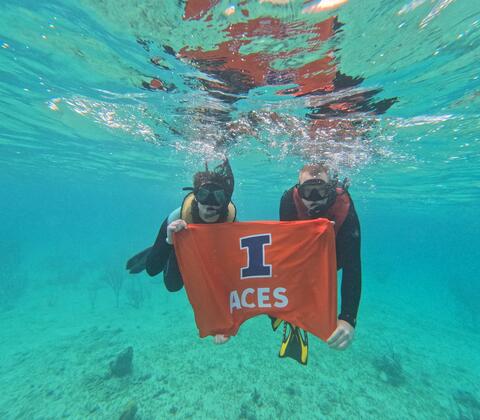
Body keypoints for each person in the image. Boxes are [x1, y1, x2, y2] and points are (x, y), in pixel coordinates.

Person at [126, 159, 237, 344]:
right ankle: (160, 247)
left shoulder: (230, 219)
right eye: (203, 195)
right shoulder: (178, 216)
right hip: (178, 243)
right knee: (173, 285)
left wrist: (222, 324)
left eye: (218, 197)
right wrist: (170, 240)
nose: (210, 205)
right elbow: (153, 269)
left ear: (225, 201)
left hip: (209, 250)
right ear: (195, 196)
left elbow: (232, 278)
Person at [275, 163, 361, 354]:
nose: (313, 199)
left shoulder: (344, 204)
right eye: (307, 191)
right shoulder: (289, 199)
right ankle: (293, 318)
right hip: (302, 252)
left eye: (320, 190)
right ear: (298, 189)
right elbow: (287, 249)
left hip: (333, 257)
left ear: (330, 189)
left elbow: (352, 265)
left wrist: (348, 318)